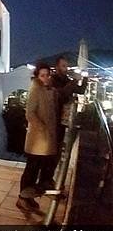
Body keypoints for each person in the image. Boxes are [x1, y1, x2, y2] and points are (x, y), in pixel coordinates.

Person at [16, 62, 58, 212]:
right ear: (37, 76)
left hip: (44, 140)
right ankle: (22, 198)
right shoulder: (36, 89)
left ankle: (29, 197)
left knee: (38, 168)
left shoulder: (48, 89)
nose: (46, 78)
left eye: (47, 75)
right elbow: (30, 113)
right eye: (42, 75)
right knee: (31, 169)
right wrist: (43, 129)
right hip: (38, 139)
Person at [50, 56, 87, 149]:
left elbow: (80, 90)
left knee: (59, 143)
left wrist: (85, 78)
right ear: (57, 67)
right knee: (53, 143)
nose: (66, 69)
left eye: (66, 66)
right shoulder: (53, 80)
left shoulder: (66, 79)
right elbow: (63, 93)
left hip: (64, 117)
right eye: (63, 66)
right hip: (54, 117)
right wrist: (75, 80)